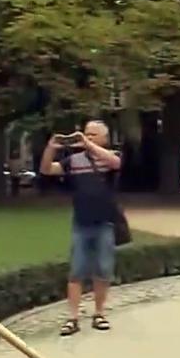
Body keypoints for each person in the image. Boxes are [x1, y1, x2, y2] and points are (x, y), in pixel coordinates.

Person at [39, 120, 122, 336]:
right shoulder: (74, 161)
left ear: (104, 138)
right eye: (86, 134)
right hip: (81, 224)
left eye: (93, 134)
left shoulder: (111, 156)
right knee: (76, 272)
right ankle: (72, 318)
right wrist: (51, 147)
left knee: (103, 270)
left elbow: (115, 163)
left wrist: (87, 143)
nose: (88, 137)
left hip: (105, 223)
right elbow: (47, 169)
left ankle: (99, 313)